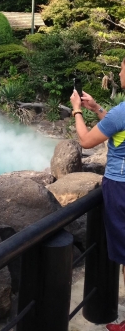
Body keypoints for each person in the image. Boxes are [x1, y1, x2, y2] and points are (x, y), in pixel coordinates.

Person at [71, 58, 125, 331]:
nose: (120, 73)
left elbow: (86, 141)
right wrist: (97, 108)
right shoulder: (119, 114)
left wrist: (78, 111)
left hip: (120, 187)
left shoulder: (123, 111)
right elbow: (117, 128)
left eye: (123, 69)